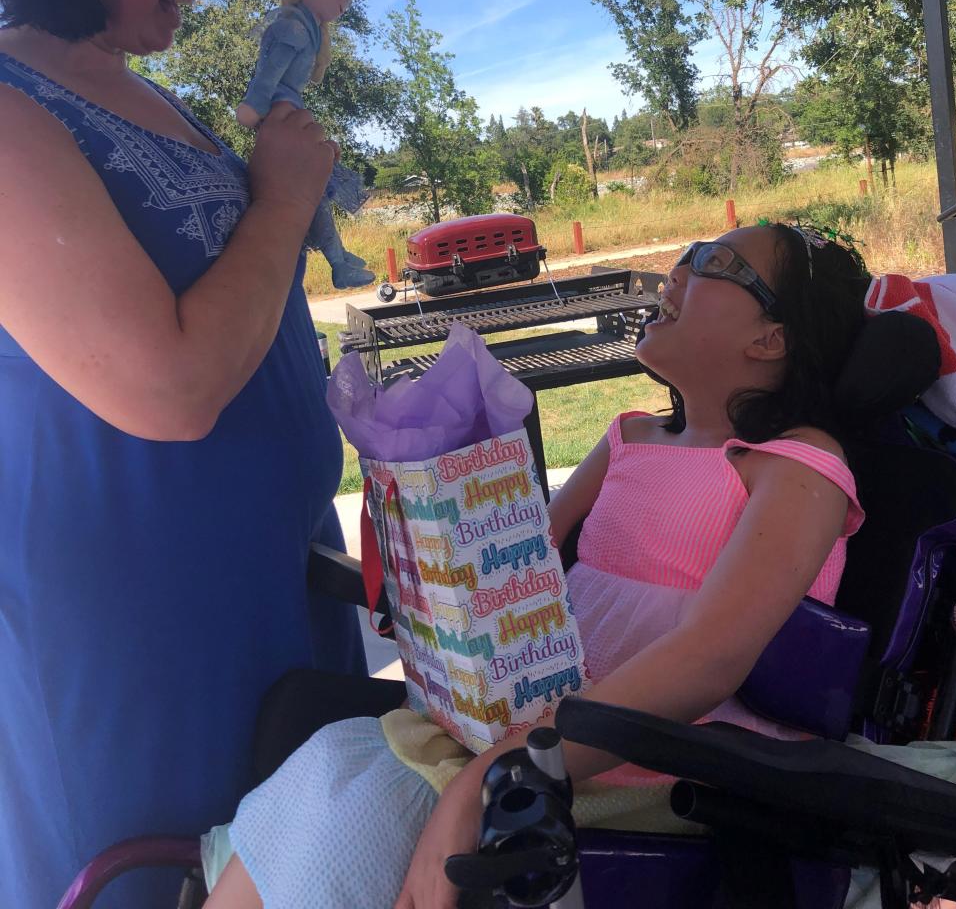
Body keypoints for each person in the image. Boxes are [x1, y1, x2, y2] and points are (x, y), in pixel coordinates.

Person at [203, 221, 873, 909]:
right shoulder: (630, 436)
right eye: (685, 253)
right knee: (328, 765)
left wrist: (505, 767)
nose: (675, 271)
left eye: (713, 263)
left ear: (769, 339)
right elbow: (518, 563)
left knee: (361, 812)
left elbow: (710, 657)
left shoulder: (799, 465)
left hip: (649, 762)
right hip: (525, 728)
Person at [0, 0, 367, 909]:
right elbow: (167, 386)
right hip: (140, 648)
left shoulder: (140, 94)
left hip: (277, 601)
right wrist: (281, 196)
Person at [236, 0, 376, 290]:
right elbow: (266, 77)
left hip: (292, 116)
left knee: (318, 191)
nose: (346, 0)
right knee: (313, 191)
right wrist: (253, 107)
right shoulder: (293, 28)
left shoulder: (309, 28)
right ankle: (337, 262)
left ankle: (339, 259)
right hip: (281, 117)